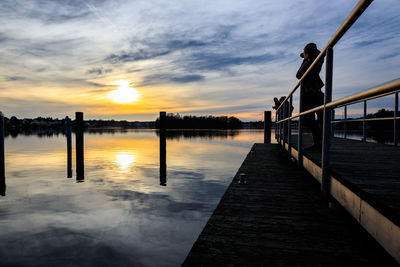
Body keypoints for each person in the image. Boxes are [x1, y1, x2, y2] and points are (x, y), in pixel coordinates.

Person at [296, 43, 325, 149]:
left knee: (309, 119)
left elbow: (298, 75)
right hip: (316, 92)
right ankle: (320, 142)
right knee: (317, 118)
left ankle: (319, 143)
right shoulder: (317, 59)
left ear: (308, 52)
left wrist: (305, 59)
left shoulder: (310, 61)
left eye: (304, 51)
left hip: (310, 93)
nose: (303, 53)